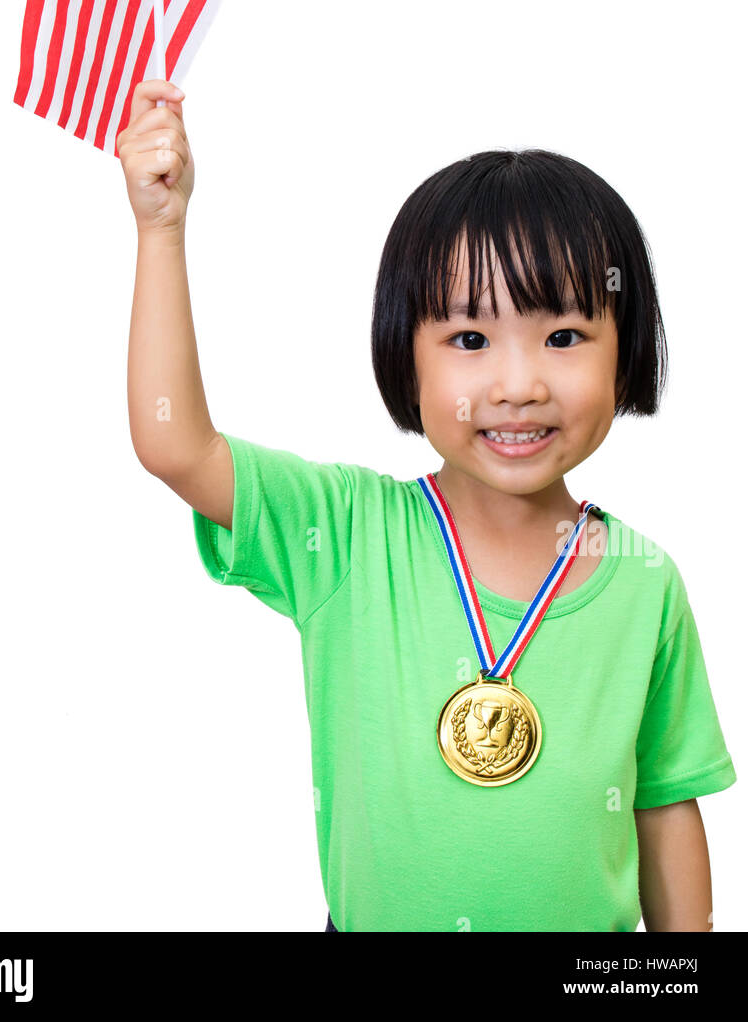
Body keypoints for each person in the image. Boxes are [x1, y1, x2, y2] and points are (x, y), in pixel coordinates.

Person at [120, 78, 736, 933]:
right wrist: (162, 230)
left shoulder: (644, 582)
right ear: (404, 358)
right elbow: (174, 445)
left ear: (624, 352)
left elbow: (665, 804)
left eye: (563, 337)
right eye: (469, 339)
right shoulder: (340, 533)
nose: (517, 386)